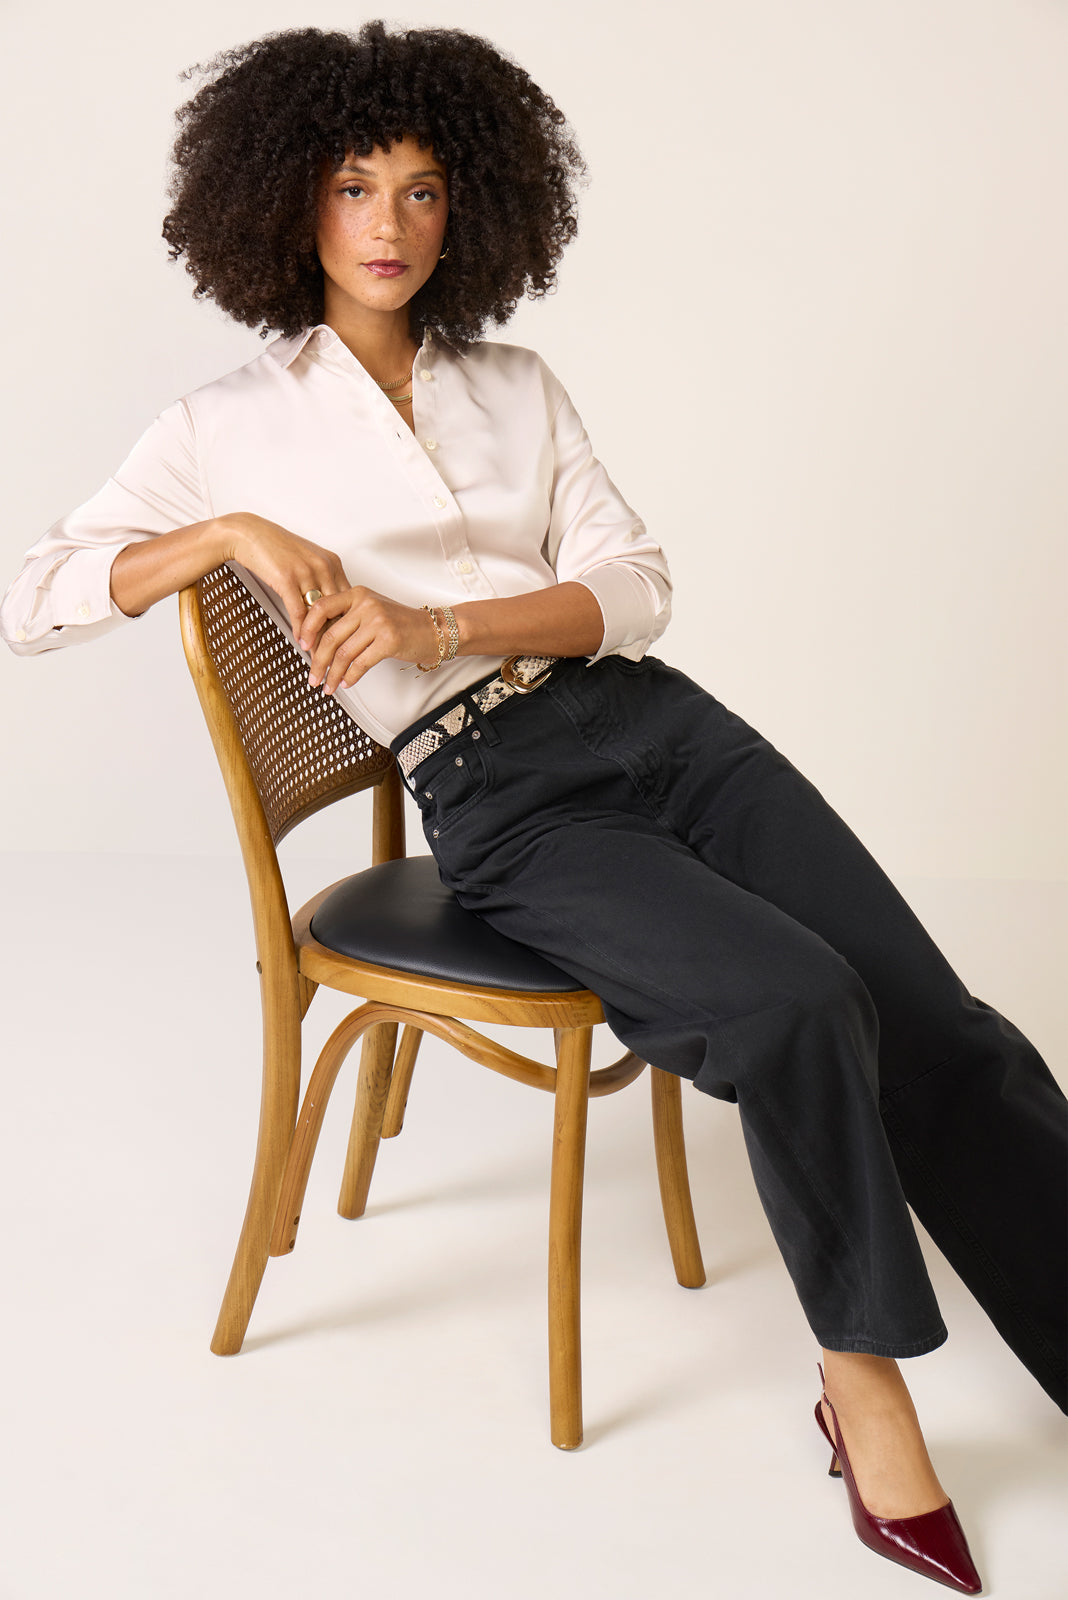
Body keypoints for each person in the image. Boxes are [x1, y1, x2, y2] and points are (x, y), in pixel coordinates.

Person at [2, 21, 1064, 1593]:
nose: (387, 223)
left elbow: (635, 589)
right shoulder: (227, 425)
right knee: (795, 1003)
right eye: (352, 185)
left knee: (941, 1025)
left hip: (666, 731)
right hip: (502, 796)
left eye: (423, 190)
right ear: (286, 201)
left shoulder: (518, 386)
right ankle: (865, 1389)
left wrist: (438, 620)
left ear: (473, 208)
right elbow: (34, 597)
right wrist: (224, 534)